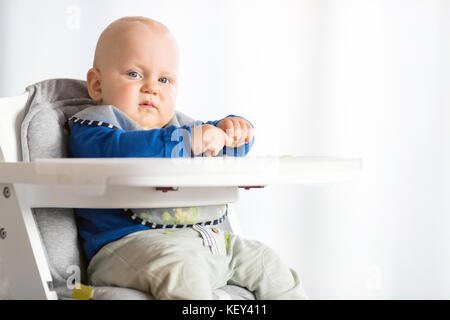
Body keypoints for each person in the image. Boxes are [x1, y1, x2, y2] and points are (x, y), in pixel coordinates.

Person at [69, 16, 307, 300]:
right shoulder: (96, 128)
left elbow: (212, 146)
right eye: (134, 74)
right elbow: (124, 150)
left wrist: (231, 133)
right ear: (97, 85)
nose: (151, 87)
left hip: (207, 242)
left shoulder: (179, 126)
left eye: (164, 79)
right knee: (182, 274)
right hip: (130, 248)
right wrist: (186, 141)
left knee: (268, 263)